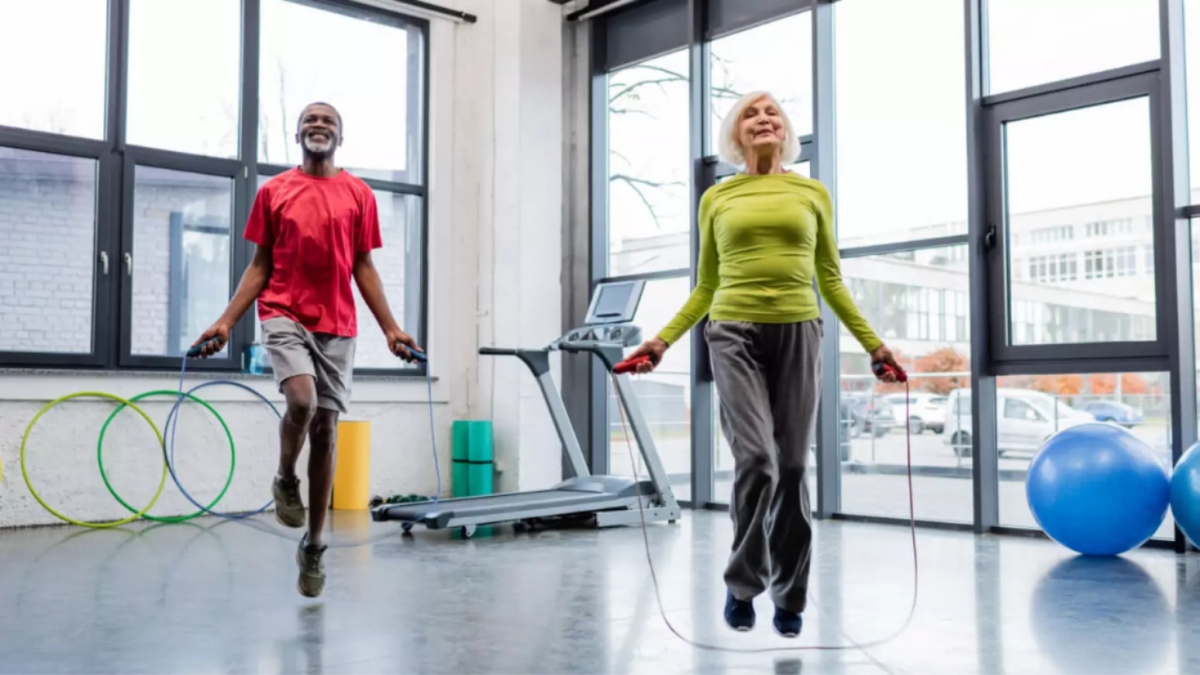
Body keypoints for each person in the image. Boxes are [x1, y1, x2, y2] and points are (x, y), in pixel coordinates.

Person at [625, 91, 902, 638]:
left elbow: (831, 278)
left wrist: (874, 345)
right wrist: (662, 341)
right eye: (750, 114)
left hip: (800, 330)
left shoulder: (811, 192)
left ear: (785, 129)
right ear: (736, 133)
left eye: (771, 111)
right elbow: (706, 283)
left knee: (794, 467)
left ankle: (790, 596)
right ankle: (742, 583)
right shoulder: (717, 198)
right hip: (732, 331)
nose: (763, 119)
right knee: (758, 461)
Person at [191, 102, 421, 598]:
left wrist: (391, 329)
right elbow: (259, 264)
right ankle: (284, 477)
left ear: (341, 135)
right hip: (284, 312)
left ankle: (314, 545)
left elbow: (363, 266)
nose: (319, 125)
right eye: (311, 120)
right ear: (298, 133)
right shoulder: (274, 191)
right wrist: (227, 321)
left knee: (327, 430)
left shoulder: (358, 194)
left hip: (337, 324)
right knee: (301, 401)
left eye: (329, 121)